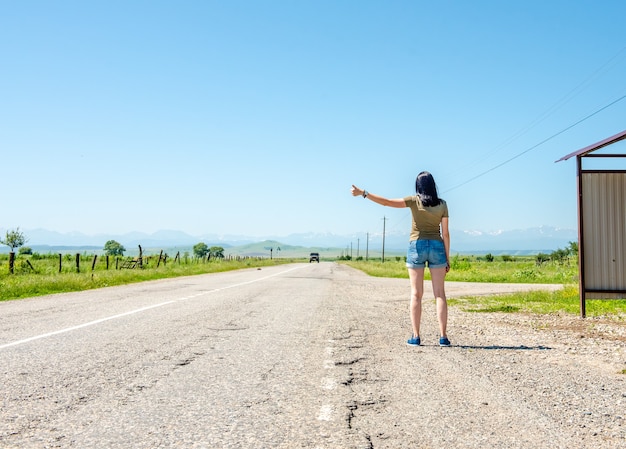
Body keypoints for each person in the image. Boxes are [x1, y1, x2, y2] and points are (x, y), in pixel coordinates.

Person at [351, 171, 451, 347]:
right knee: (440, 294)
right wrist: (447, 258)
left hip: (417, 246)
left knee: (416, 294)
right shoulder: (442, 204)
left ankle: (416, 336)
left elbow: (387, 202)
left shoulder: (413, 201)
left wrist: (364, 193)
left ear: (418, 186)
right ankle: (443, 337)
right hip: (437, 246)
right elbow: (446, 233)